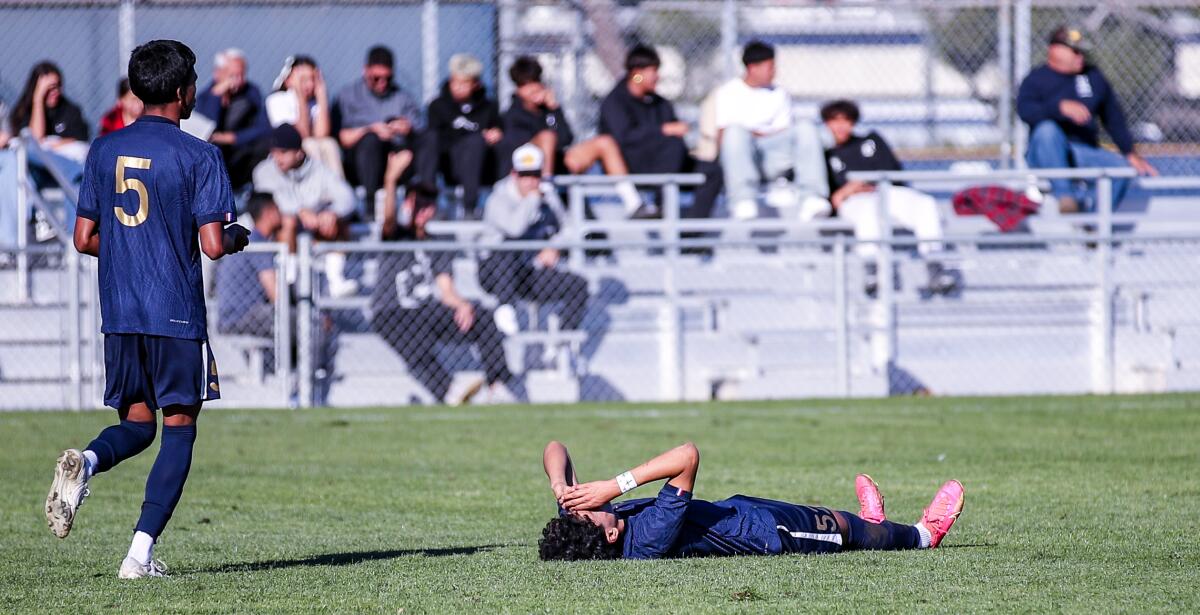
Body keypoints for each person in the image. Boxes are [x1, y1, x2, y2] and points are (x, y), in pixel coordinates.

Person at [44, 39, 250, 579]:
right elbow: (210, 243)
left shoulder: (103, 150)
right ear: (185, 93)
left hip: (121, 312)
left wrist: (132, 250)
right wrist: (236, 235)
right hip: (175, 313)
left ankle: (85, 462)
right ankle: (138, 556)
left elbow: (84, 238)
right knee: (179, 427)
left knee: (138, 424)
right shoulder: (200, 154)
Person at [539, 440, 965, 560]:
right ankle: (923, 535)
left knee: (848, 523)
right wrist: (615, 485)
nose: (585, 502)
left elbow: (554, 447)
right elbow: (686, 456)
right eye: (593, 512)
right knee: (843, 528)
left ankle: (876, 521)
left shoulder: (586, 523)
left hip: (740, 508)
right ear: (612, 534)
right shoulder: (647, 538)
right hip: (763, 533)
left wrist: (560, 486)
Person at [371, 183, 521, 405]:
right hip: (392, 312)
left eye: (427, 206)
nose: (423, 211)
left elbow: (446, 289)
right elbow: (389, 218)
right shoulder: (396, 236)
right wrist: (391, 179)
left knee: (482, 316)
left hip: (423, 312)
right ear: (408, 205)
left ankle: (497, 385)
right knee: (408, 335)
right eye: (418, 204)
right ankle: (448, 390)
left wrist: (462, 304)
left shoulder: (436, 245)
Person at [818, 99, 958, 296]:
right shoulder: (824, 153)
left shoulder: (871, 140)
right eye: (834, 120)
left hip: (885, 193)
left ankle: (935, 266)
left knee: (926, 204)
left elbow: (891, 171)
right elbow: (833, 195)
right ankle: (873, 271)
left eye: (846, 120)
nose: (840, 126)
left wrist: (858, 183)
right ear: (826, 123)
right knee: (867, 212)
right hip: (856, 202)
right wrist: (850, 190)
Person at [1017, 25, 1157, 212]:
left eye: (1082, 52)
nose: (1080, 57)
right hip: (1045, 153)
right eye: (1075, 52)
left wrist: (1130, 152)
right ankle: (1066, 197)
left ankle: (1093, 224)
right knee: (1047, 130)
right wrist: (1059, 108)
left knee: (1120, 169)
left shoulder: (1092, 76)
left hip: (1081, 152)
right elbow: (1025, 111)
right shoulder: (1037, 79)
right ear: (1055, 49)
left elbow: (1113, 116)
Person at [498, 56, 643, 216]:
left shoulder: (548, 110)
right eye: (526, 85)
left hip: (559, 162)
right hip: (532, 169)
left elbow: (566, 138)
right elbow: (522, 149)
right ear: (518, 89)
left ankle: (633, 203)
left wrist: (554, 109)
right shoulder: (512, 115)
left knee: (605, 142)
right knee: (547, 137)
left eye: (535, 82)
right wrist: (548, 139)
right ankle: (548, 192)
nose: (532, 89)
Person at [599, 44, 722, 219]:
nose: (657, 77)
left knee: (711, 171)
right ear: (636, 73)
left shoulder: (660, 103)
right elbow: (624, 137)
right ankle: (662, 206)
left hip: (668, 163)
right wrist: (663, 130)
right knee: (671, 144)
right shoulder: (615, 102)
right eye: (652, 71)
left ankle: (693, 232)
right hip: (633, 164)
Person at [479, 145, 589, 336]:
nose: (530, 181)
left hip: (527, 272)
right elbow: (515, 228)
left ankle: (562, 339)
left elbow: (569, 227)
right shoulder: (499, 198)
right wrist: (532, 200)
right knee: (507, 248)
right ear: (514, 174)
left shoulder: (548, 196)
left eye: (535, 174)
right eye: (524, 174)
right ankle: (504, 307)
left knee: (578, 285)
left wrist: (554, 247)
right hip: (494, 272)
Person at [713, 41, 828, 220]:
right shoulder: (728, 92)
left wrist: (755, 133)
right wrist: (752, 135)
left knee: (806, 128)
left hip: (776, 157)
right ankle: (743, 200)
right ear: (752, 68)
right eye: (770, 67)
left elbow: (784, 132)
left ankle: (813, 197)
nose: (774, 72)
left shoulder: (780, 94)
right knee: (735, 133)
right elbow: (725, 135)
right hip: (744, 159)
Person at [252, 123, 358, 297]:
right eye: (275, 152)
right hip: (280, 236)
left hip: (314, 232)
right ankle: (289, 278)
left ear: (299, 153)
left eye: (283, 152)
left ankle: (335, 280)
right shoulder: (264, 170)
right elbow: (272, 201)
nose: (277, 158)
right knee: (288, 221)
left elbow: (348, 197)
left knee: (338, 221)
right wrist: (301, 212)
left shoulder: (319, 169)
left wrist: (332, 214)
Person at [335, 45, 424, 217]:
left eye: (387, 78)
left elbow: (419, 128)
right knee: (371, 140)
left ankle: (424, 199)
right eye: (376, 78)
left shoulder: (402, 98)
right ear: (365, 70)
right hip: (361, 162)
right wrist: (371, 129)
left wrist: (406, 127)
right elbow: (341, 137)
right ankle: (370, 206)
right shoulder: (347, 96)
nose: (382, 83)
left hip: (396, 160)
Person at [421, 53, 502, 218]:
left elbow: (497, 129)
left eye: (464, 83)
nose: (458, 87)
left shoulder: (488, 107)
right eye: (455, 81)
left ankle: (470, 208)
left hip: (477, 167)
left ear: (476, 84)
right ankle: (426, 200)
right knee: (432, 139)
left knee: (475, 143)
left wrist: (496, 133)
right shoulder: (438, 106)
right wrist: (473, 133)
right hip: (447, 166)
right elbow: (435, 140)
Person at [195, 48, 271, 189]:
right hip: (218, 157)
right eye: (232, 75)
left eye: (242, 75)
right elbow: (205, 129)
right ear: (218, 73)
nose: (238, 80)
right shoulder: (206, 98)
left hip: (242, 154)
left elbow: (263, 128)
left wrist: (233, 137)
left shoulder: (251, 94)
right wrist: (217, 97)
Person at [265, 55, 342, 176]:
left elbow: (322, 134)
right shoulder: (277, 99)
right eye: (303, 79)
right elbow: (301, 134)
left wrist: (322, 95)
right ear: (288, 80)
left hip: (311, 144)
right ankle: (319, 186)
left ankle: (338, 188)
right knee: (310, 145)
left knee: (329, 144)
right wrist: (300, 95)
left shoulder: (314, 102)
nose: (310, 84)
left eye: (313, 79)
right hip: (289, 151)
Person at [217, 193, 281, 337]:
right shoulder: (259, 242)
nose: (281, 213)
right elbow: (276, 293)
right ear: (269, 212)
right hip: (242, 316)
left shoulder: (254, 239)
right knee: (302, 318)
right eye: (278, 208)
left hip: (232, 316)